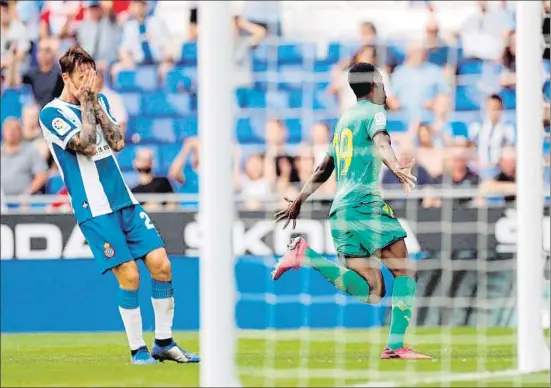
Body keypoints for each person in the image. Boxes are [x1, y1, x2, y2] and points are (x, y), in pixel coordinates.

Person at [38, 46, 199, 365]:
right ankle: (137, 349)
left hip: (124, 199)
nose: (87, 81)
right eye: (80, 76)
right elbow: (84, 145)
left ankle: (164, 342)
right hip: (93, 208)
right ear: (66, 77)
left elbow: (117, 142)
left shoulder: (101, 102)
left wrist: (94, 102)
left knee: (161, 264)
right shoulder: (51, 114)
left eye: (90, 74)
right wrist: (86, 101)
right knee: (129, 275)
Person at [271, 62, 430, 360]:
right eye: (382, 81)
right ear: (374, 84)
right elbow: (382, 141)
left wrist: (299, 200)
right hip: (365, 205)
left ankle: (307, 256)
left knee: (373, 290)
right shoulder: (374, 112)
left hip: (339, 213)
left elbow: (323, 167)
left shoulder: (344, 119)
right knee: (405, 270)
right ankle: (395, 346)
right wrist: (395, 166)